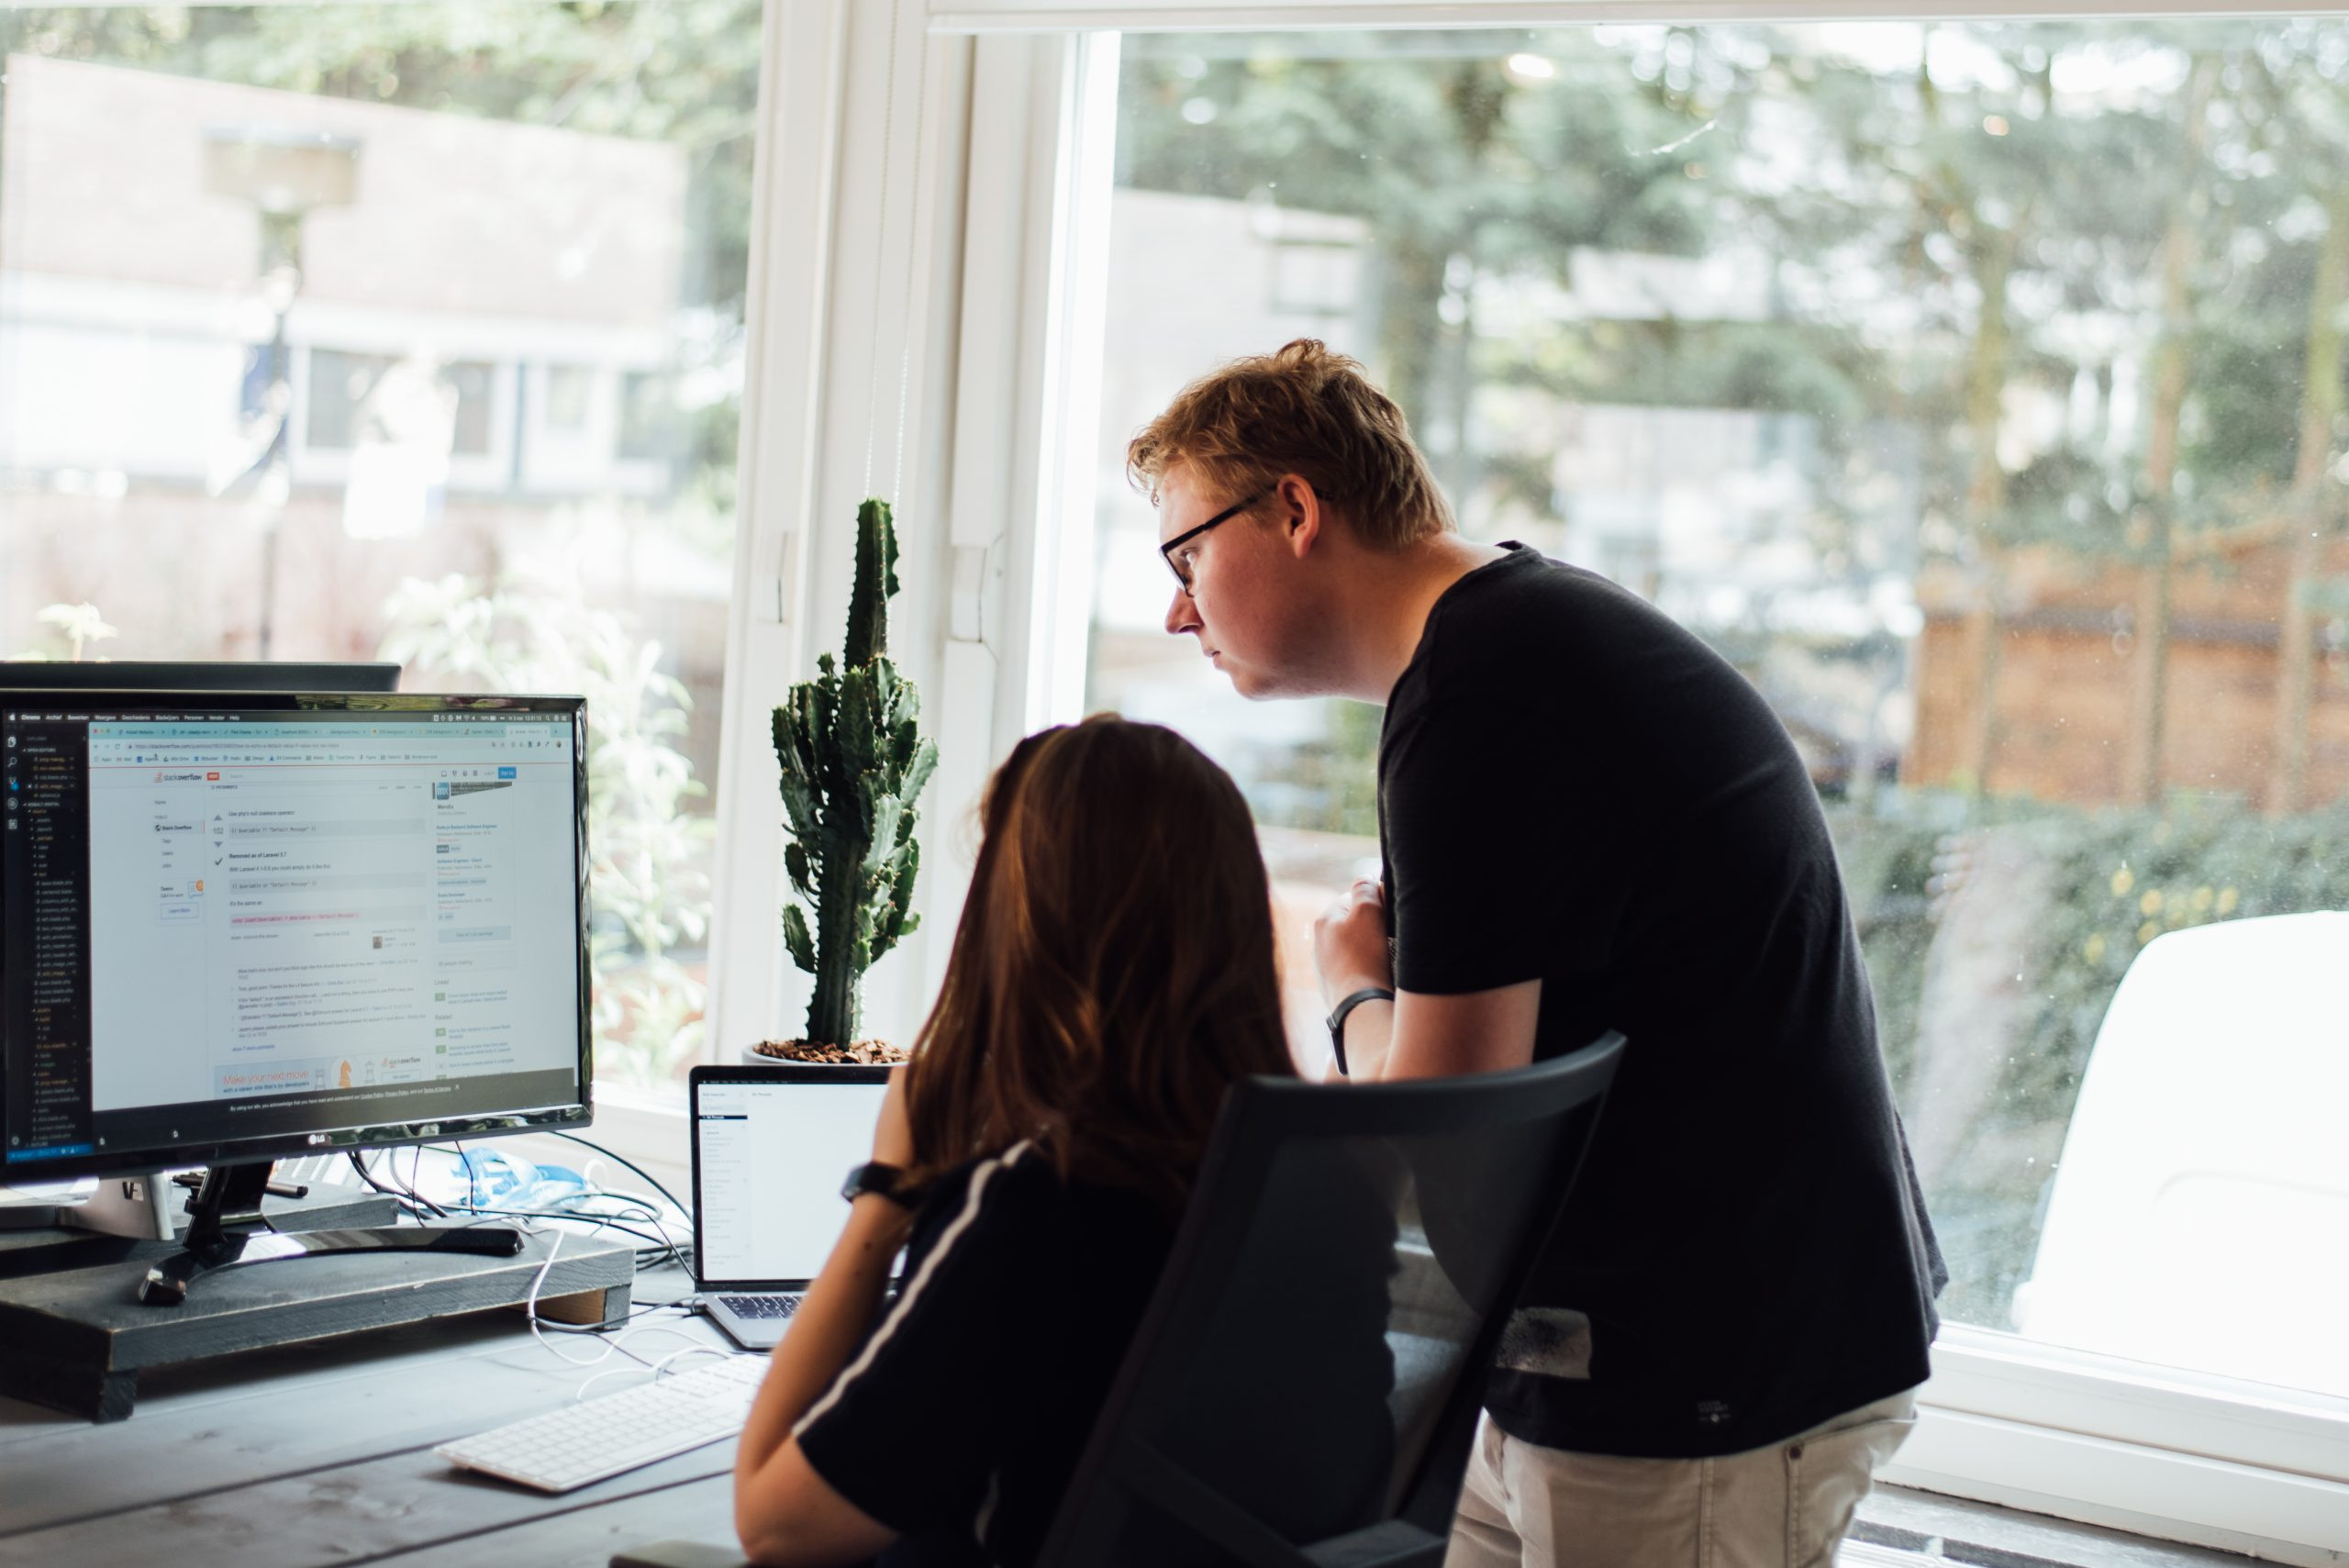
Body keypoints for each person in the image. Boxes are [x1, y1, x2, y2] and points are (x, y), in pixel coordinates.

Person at [1128, 339, 1948, 1568]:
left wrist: (1352, 986)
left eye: (1188, 554)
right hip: (1591, 1364)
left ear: (1295, 507)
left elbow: (1445, 1128)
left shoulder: (1485, 695)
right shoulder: (1504, 648)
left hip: (1702, 1388)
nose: (1177, 606)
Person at [733, 717, 1312, 1567]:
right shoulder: (1317, 1183)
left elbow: (776, 1525)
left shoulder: (1040, 1209)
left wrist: (889, 1191)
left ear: (1024, 923)